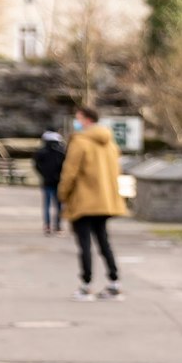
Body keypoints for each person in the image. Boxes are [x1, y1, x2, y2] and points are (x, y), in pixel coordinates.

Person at [58, 107, 126, 302]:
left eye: (78, 118)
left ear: (86, 120)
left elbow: (69, 172)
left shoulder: (80, 142)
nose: (77, 122)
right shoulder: (110, 143)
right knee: (104, 241)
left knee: (85, 244)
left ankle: (86, 285)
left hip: (84, 201)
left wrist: (63, 195)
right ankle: (114, 282)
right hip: (105, 201)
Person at [33, 130, 65, 236]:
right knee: (58, 205)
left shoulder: (41, 152)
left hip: (47, 181)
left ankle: (47, 225)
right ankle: (58, 226)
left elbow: (36, 165)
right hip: (58, 181)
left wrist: (43, 174)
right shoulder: (61, 151)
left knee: (47, 204)